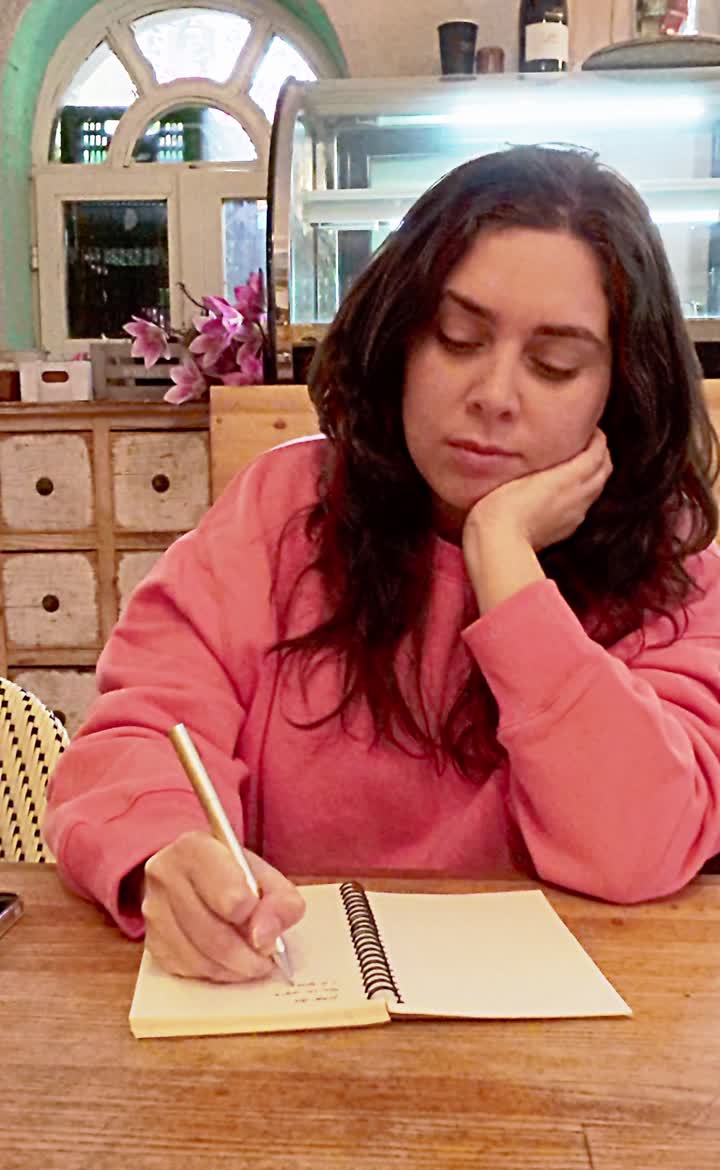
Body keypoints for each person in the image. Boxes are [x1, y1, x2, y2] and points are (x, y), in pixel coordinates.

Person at [45, 144, 720, 984]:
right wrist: (164, 853)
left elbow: (637, 849)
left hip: (564, 1060)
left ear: (618, 391)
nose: (495, 394)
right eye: (457, 337)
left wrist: (505, 562)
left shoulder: (673, 562)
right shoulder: (286, 508)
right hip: (288, 1019)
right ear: (401, 339)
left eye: (555, 364)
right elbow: (143, 728)